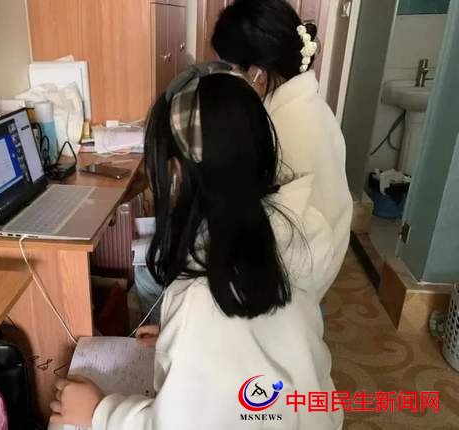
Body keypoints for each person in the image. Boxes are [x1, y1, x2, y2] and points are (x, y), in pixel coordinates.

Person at [49, 64, 342, 429]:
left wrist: (98, 411)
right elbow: (258, 339)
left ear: (175, 173)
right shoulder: (292, 229)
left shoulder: (202, 296)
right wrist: (180, 339)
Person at [212, 0, 353, 301]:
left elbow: (263, 225)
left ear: (258, 74)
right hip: (323, 251)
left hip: (301, 273)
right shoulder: (308, 102)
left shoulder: (283, 127)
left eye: (230, 69)